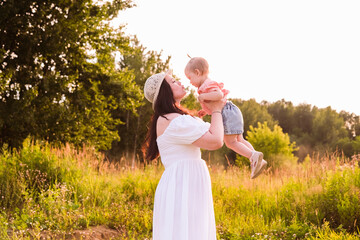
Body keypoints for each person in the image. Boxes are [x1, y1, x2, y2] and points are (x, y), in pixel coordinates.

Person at [143, 69, 226, 240]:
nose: (179, 82)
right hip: (181, 183)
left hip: (186, 181)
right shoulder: (172, 120)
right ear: (164, 92)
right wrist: (217, 109)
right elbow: (216, 140)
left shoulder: (174, 118)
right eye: (173, 82)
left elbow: (214, 134)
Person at [184, 57, 267, 179]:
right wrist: (205, 110)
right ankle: (258, 160)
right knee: (240, 140)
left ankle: (252, 156)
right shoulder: (205, 85)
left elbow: (219, 95)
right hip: (232, 111)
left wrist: (203, 97)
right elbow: (216, 101)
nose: (190, 82)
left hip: (227, 113)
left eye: (190, 78)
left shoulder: (207, 84)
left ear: (197, 72)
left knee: (231, 143)